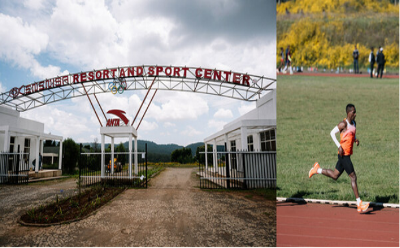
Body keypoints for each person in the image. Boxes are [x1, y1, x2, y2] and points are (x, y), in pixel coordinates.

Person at [309, 104, 369, 213]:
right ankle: (359, 204)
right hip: (343, 155)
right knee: (353, 177)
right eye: (354, 112)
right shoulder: (343, 124)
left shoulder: (354, 123)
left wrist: (355, 139)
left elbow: (351, 133)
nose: (355, 114)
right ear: (348, 112)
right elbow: (332, 133)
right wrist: (339, 146)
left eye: (355, 112)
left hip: (347, 154)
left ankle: (316, 169)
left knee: (335, 175)